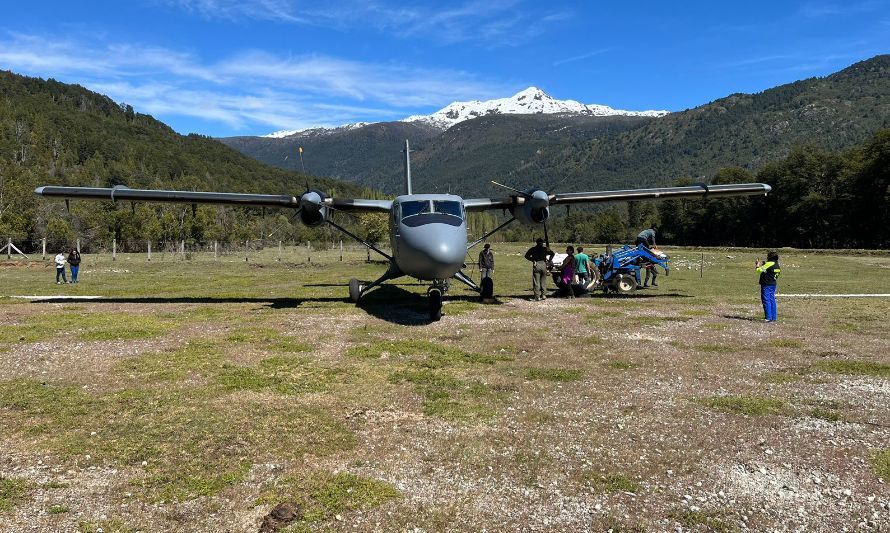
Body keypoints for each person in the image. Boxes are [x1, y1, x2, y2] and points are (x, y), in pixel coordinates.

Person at [756, 251, 781, 322]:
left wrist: (757, 265)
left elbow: (759, 270)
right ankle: (773, 317)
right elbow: (768, 271)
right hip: (773, 284)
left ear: (770, 257)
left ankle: (768, 317)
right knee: (772, 300)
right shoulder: (777, 264)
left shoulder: (769, 263)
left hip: (766, 284)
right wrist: (764, 265)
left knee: (766, 300)